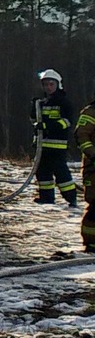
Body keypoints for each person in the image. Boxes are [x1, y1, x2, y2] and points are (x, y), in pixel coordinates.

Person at [32, 69, 78, 209]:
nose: (48, 87)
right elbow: (35, 121)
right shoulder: (42, 103)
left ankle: (71, 198)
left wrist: (48, 126)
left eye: (51, 84)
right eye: (45, 84)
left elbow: (67, 122)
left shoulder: (64, 103)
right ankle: (46, 199)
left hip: (57, 146)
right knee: (42, 173)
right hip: (42, 145)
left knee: (61, 174)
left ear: (58, 85)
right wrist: (33, 109)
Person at [76, 98, 95, 252]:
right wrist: (93, 155)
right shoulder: (91, 112)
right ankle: (91, 243)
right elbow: (81, 136)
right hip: (93, 169)